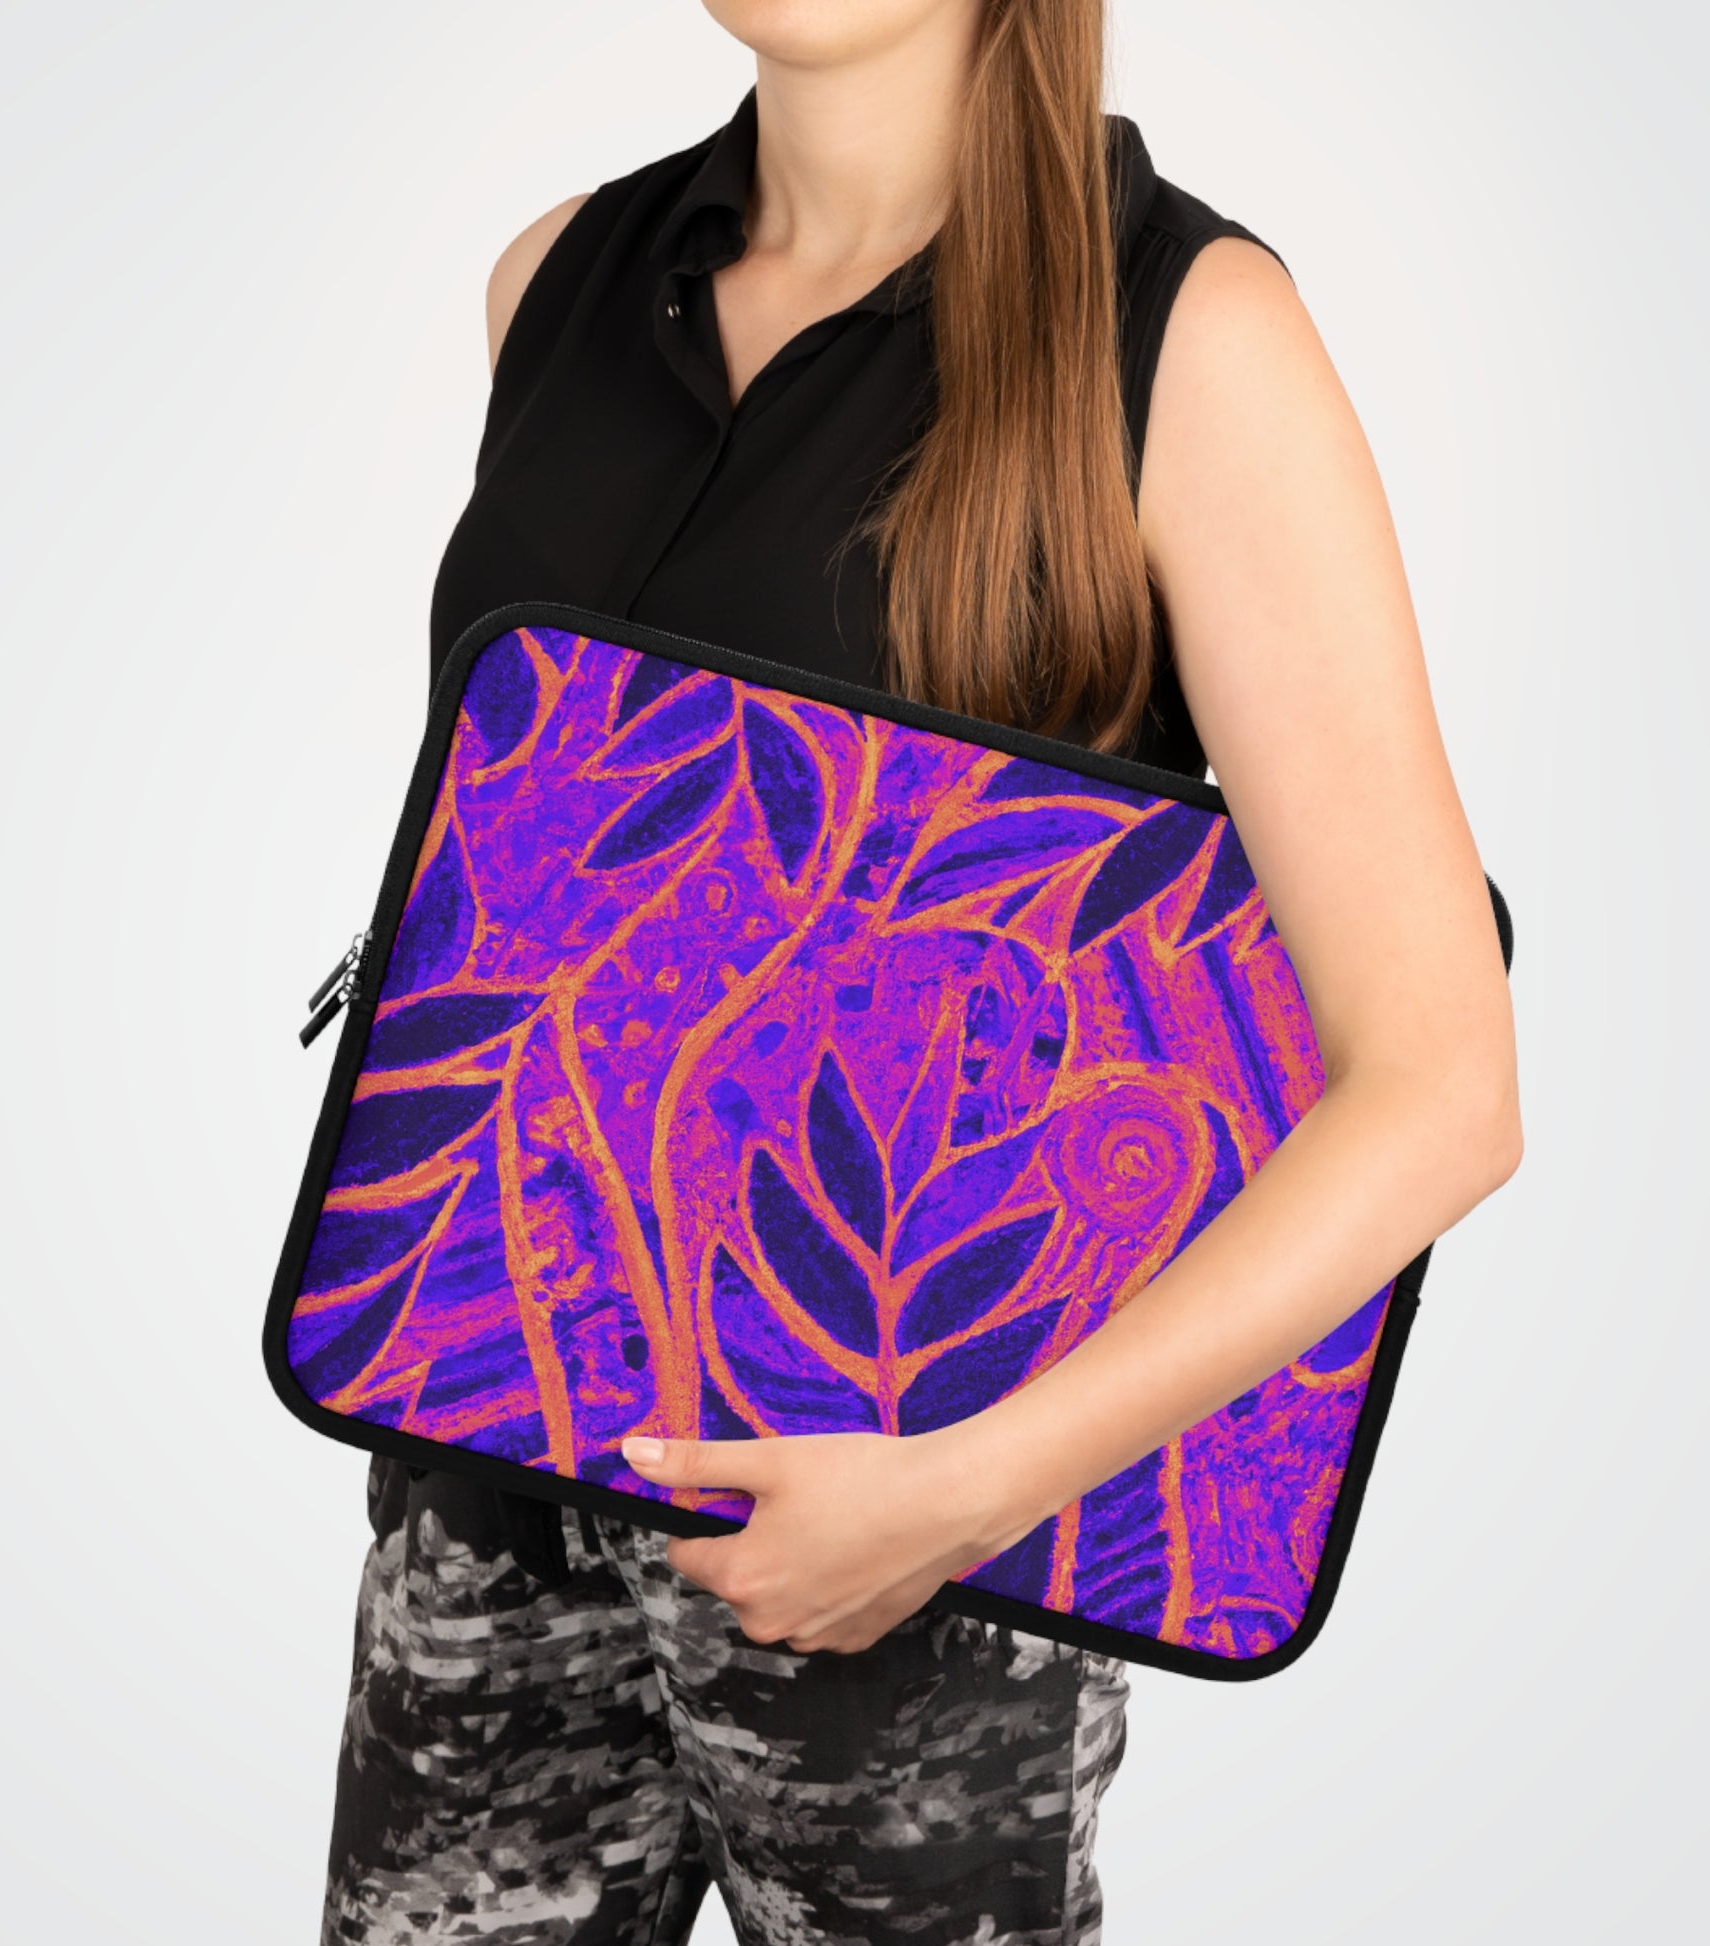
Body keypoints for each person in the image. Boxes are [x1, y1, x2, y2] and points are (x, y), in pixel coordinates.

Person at [318, 3, 1523, 1941]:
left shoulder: (1189, 336)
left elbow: (1442, 1087)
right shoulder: (554, 278)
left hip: (920, 1524)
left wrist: (963, 1491)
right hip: (487, 1436)